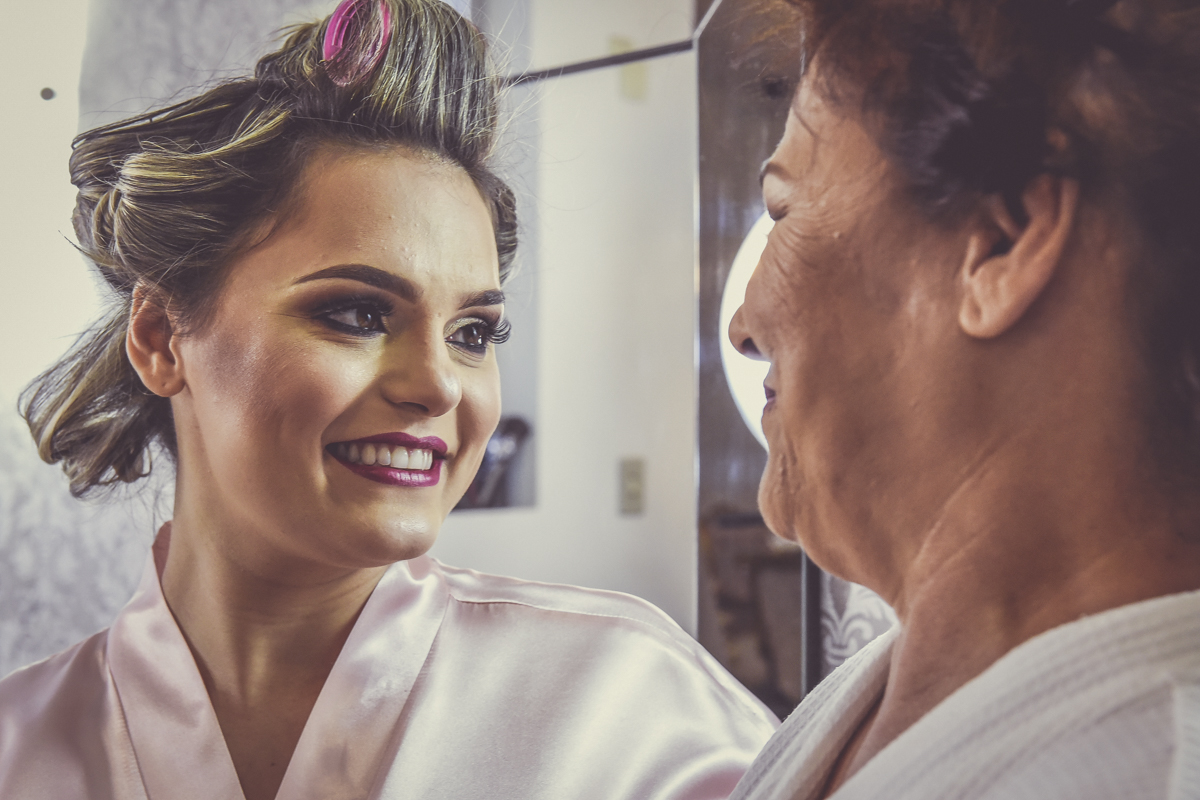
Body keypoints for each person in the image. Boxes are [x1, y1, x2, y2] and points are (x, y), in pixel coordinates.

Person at [0, 2, 779, 798]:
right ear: (162, 338)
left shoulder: (637, 715)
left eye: (472, 333)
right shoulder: (17, 750)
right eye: (357, 315)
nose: (438, 384)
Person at [725, 0, 1200, 798]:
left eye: (784, 210)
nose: (742, 327)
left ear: (1003, 239)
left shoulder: (1149, 774)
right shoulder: (865, 704)